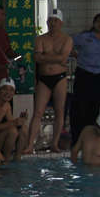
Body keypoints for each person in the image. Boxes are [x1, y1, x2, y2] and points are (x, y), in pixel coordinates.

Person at [27, 8, 73, 152]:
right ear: (47, 22)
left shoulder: (67, 39)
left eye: (55, 21)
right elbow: (37, 58)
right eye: (50, 21)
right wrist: (57, 59)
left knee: (59, 111)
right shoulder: (40, 39)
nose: (52, 23)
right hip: (44, 79)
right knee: (38, 112)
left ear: (61, 23)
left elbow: (63, 58)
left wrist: (45, 57)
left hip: (59, 78)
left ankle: (55, 143)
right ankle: (29, 145)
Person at [69, 13, 100, 143]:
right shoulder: (84, 37)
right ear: (94, 23)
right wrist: (74, 54)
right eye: (98, 21)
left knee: (94, 107)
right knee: (80, 106)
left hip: (99, 76)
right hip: (84, 74)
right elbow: (68, 43)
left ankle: (90, 136)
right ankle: (77, 136)